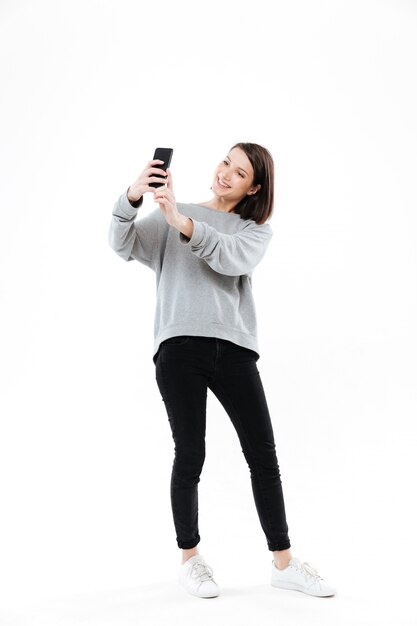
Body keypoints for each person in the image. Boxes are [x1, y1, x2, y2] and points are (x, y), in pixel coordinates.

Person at [108, 142, 337, 599]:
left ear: (254, 186)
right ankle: (190, 559)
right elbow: (123, 243)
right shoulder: (175, 211)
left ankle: (284, 563)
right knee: (190, 452)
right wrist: (133, 198)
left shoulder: (253, 232)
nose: (226, 173)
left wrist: (183, 225)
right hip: (178, 346)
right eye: (225, 162)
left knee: (263, 456)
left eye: (240, 171)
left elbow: (229, 257)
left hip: (234, 350)